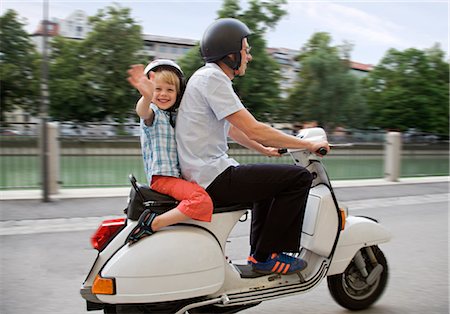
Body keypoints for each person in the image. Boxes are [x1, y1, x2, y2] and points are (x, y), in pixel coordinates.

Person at [176, 18, 330, 275]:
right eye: (246, 50)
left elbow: (235, 128)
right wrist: (308, 144)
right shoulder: (213, 78)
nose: (249, 56)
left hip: (205, 173)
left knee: (268, 186)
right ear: (231, 54)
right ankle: (268, 255)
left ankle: (260, 255)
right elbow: (255, 128)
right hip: (211, 177)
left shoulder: (207, 78)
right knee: (299, 178)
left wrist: (265, 151)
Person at [126, 59, 213, 244]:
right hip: (163, 178)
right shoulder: (154, 114)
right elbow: (143, 112)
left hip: (173, 178)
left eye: (170, 90)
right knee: (201, 200)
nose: (163, 94)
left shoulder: (173, 117)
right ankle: (152, 224)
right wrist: (147, 96)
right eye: (158, 89)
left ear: (178, 93)